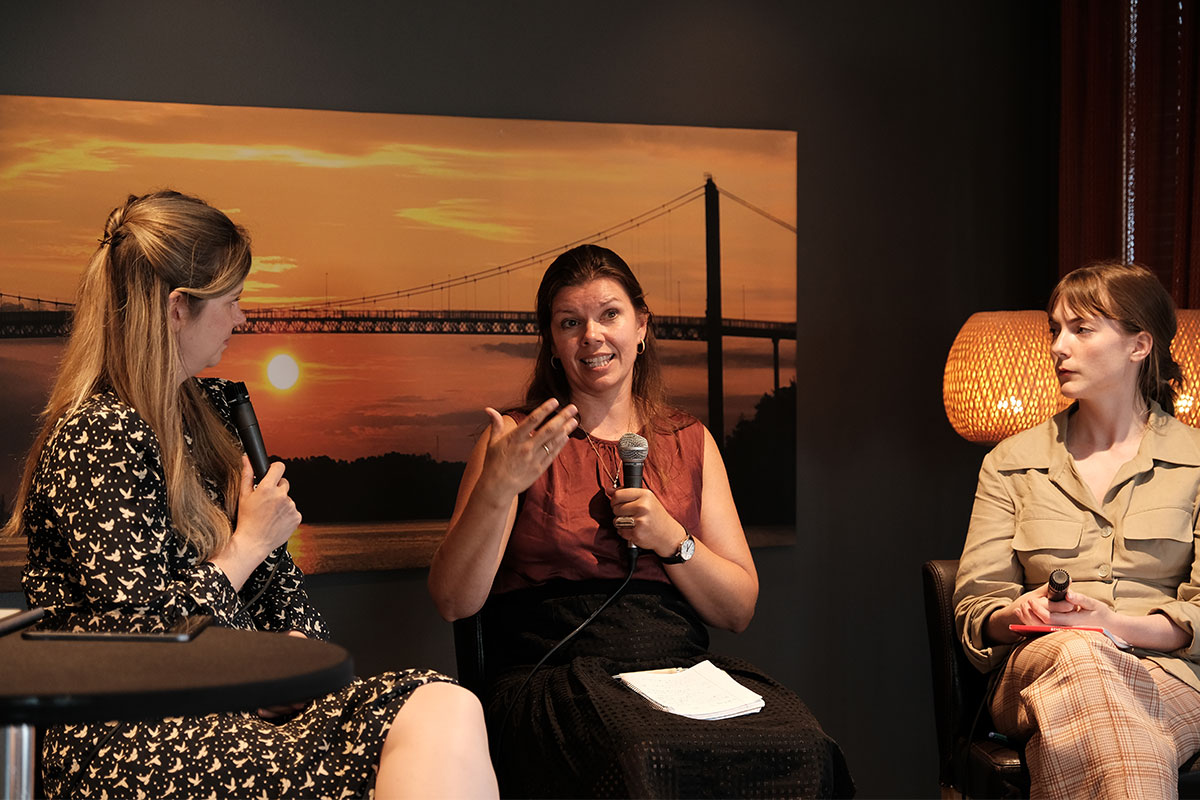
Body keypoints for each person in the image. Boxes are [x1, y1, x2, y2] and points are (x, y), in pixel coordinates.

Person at [4, 190, 499, 799]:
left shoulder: (214, 417)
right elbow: (138, 648)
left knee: (446, 704)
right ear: (177, 309)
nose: (243, 318)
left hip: (233, 709)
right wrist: (246, 544)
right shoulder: (96, 435)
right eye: (232, 300)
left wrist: (293, 659)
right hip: (134, 736)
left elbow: (284, 601)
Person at [427, 244, 853, 798]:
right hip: (554, 676)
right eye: (570, 322)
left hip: (678, 674)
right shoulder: (514, 441)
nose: (592, 336)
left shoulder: (690, 441)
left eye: (610, 314)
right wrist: (500, 485)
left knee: (806, 749)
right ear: (553, 343)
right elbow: (454, 601)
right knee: (642, 756)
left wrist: (673, 540)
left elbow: (739, 608)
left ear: (641, 327)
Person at [953, 262, 1200, 799]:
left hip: (1174, 677)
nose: (1058, 347)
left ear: (1139, 345)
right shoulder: (1010, 462)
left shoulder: (1199, 460)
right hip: (1042, 666)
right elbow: (975, 608)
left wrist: (1114, 624)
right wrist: (1016, 613)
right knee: (1081, 654)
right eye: (1054, 329)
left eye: (1081, 329)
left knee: (1119, 737)